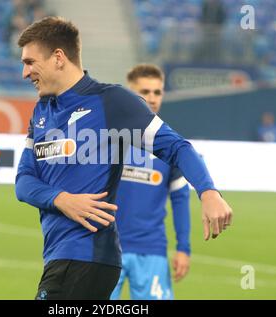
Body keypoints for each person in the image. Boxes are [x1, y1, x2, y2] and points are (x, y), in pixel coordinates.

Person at [15, 16, 233, 300]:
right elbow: (23, 182)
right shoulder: (42, 112)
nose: (24, 72)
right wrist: (61, 199)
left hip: (88, 256)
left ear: (58, 57)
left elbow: (178, 147)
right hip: (58, 255)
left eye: (30, 62)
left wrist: (208, 192)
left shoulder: (111, 102)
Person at [110, 64, 190, 300]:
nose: (152, 98)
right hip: (106, 250)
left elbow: (180, 198)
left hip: (151, 251)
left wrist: (183, 248)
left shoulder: (170, 145)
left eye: (157, 92)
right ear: (130, 93)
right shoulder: (109, 138)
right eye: (145, 92)